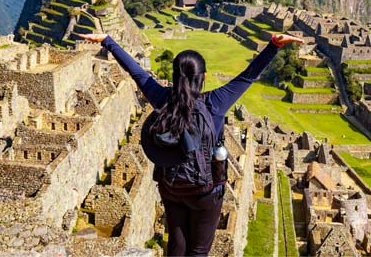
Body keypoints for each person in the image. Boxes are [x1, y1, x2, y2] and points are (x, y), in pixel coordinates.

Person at [77, 31, 302, 256]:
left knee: (176, 241)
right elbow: (247, 77)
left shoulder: (162, 99)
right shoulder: (215, 103)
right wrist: (273, 45)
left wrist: (107, 41)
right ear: (203, 77)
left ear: (175, 76)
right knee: (199, 249)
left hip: (171, 186)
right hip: (205, 191)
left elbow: (136, 72)